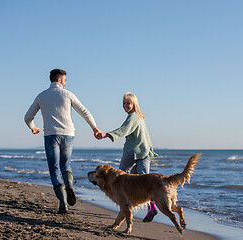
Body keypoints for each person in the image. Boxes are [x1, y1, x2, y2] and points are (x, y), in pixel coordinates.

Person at [24, 68, 103, 214]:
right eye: (65, 80)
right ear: (59, 80)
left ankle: (63, 203)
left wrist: (33, 127)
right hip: (68, 134)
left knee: (54, 168)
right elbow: (85, 112)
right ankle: (70, 186)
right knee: (65, 164)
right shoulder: (68, 95)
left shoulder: (41, 96)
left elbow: (27, 117)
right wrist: (95, 129)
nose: (66, 84)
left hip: (50, 135)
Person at [100, 92, 158, 222]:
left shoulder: (133, 117)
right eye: (124, 103)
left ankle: (124, 203)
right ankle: (151, 207)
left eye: (128, 103)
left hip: (132, 151)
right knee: (146, 180)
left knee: (120, 175)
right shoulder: (139, 117)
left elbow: (123, 130)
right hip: (145, 151)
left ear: (134, 104)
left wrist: (107, 135)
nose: (125, 105)